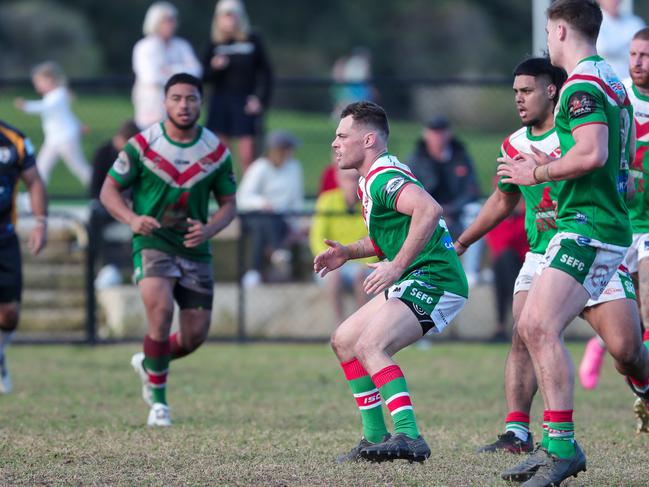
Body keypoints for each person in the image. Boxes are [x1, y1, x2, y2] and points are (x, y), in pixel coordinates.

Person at [496, 2, 649, 484]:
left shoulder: (581, 84)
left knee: (537, 325)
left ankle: (561, 447)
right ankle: (556, 443)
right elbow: (620, 163)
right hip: (600, 222)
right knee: (622, 347)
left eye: (548, 32)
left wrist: (534, 171)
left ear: (560, 29)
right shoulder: (612, 81)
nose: (548, 40)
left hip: (588, 225)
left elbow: (593, 152)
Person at [314, 101, 468, 464]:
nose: (334, 143)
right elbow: (391, 236)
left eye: (341, 136)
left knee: (370, 345)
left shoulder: (382, 177)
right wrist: (348, 252)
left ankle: (410, 437)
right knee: (345, 341)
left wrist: (396, 267)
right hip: (418, 275)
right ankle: (374, 437)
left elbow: (429, 210)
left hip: (435, 279)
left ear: (368, 140)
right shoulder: (374, 178)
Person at [100, 73, 237, 426]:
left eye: (191, 98)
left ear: (200, 103)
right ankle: (159, 403)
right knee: (159, 311)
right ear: (165, 102)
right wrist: (131, 219)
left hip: (194, 246)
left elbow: (228, 205)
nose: (184, 105)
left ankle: (151, 363)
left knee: (194, 337)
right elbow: (109, 192)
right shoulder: (142, 145)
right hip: (153, 242)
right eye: (176, 98)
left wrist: (209, 228)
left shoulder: (216, 151)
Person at [578, 26, 649, 418]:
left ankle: (642, 393)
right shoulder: (618, 94)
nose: (638, 62)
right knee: (629, 320)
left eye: (646, 55)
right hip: (620, 224)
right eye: (634, 54)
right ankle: (605, 348)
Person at [0, 119, 48, 393]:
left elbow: (35, 181)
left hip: (4, 236)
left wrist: (41, 222)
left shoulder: (13, 140)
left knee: (9, 314)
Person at [407, 116, 483, 285]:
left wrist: (450, 210)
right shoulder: (416, 159)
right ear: (426, 135)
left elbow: (472, 190)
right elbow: (411, 193)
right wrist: (436, 213)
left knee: (476, 211)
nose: (437, 137)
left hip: (457, 211)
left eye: (441, 132)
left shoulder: (461, 155)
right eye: (433, 133)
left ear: (449, 134)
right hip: (427, 212)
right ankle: (421, 272)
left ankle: (471, 272)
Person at [203, 0, 273, 173]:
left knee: (248, 154)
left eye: (233, 15)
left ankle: (249, 195)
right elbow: (204, 77)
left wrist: (259, 100)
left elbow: (266, 74)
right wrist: (214, 67)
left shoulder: (253, 40)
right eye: (226, 15)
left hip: (244, 102)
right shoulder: (214, 44)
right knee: (221, 155)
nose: (231, 19)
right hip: (220, 103)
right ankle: (225, 193)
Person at [237, 130, 303, 286]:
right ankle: (278, 252)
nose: (290, 152)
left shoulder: (295, 167)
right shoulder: (259, 167)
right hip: (253, 217)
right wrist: (262, 203)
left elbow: (295, 201)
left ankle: (254, 272)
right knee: (264, 220)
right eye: (287, 148)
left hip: (281, 219)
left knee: (265, 225)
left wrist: (296, 225)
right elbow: (242, 198)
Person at [310, 165, 374, 325]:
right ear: (338, 180)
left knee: (361, 277)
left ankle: (362, 327)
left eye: (356, 180)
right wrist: (326, 258)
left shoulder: (370, 202)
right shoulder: (327, 201)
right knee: (333, 276)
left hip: (361, 264)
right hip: (333, 264)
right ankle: (341, 327)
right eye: (347, 179)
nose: (352, 184)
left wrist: (366, 264)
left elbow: (375, 240)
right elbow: (316, 237)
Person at [14, 61, 91, 187]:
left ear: (49, 80)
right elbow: (65, 114)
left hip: (66, 138)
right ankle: (33, 197)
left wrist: (25, 106)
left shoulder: (58, 95)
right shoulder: (54, 95)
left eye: (39, 82)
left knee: (79, 168)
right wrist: (78, 125)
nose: (37, 86)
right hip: (53, 140)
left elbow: (45, 107)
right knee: (41, 169)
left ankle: (99, 190)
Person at [132, 1, 202, 129]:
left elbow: (196, 71)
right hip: (152, 106)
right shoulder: (144, 46)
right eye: (167, 20)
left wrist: (168, 70)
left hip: (179, 106)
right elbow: (150, 76)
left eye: (173, 20)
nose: (171, 24)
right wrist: (180, 73)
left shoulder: (182, 45)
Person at [89, 119, 140, 286]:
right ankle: (101, 267)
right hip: (107, 206)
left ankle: (139, 266)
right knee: (95, 221)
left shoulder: (137, 158)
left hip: (132, 206)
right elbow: (96, 189)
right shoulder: (103, 153)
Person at [596, 0, 645, 79]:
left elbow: (644, 48)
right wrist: (629, 44)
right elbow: (602, 48)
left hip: (631, 82)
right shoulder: (594, 20)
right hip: (605, 82)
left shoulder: (634, 21)